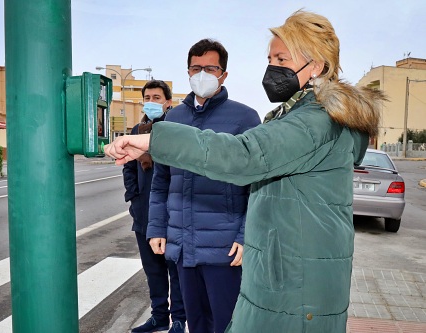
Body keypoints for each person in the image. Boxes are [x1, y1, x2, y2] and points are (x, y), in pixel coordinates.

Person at [104, 10, 385, 333]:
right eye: (270, 58)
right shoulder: (299, 115)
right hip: (285, 272)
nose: (272, 67)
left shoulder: (314, 121)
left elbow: (244, 156)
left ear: (317, 65)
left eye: (282, 58)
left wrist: (155, 139)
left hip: (297, 285)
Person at [146, 38, 261, 333]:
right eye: (196, 68)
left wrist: (247, 234)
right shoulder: (174, 119)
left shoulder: (244, 118)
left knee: (228, 323)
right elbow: (161, 182)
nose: (202, 74)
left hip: (225, 248)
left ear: (223, 74)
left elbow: (258, 186)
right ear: (187, 71)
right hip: (184, 246)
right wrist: (157, 227)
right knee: (196, 323)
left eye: (210, 68)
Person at [123, 80, 186, 333]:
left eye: (157, 97)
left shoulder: (176, 130)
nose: (151, 101)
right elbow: (129, 168)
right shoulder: (137, 130)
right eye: (147, 97)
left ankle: (179, 319)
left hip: (171, 215)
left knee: (175, 270)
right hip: (144, 215)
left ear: (168, 102)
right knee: (153, 271)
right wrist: (134, 199)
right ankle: (159, 317)